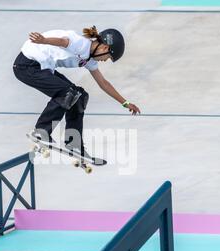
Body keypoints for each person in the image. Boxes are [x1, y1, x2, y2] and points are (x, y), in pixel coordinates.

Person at [13, 26, 141, 157]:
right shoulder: (82, 44)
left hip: (40, 68)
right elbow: (64, 41)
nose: (104, 60)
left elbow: (103, 83)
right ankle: (41, 131)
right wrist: (44, 40)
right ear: (104, 48)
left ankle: (74, 143)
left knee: (80, 96)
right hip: (26, 66)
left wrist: (125, 103)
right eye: (108, 57)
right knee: (67, 93)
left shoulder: (90, 60)